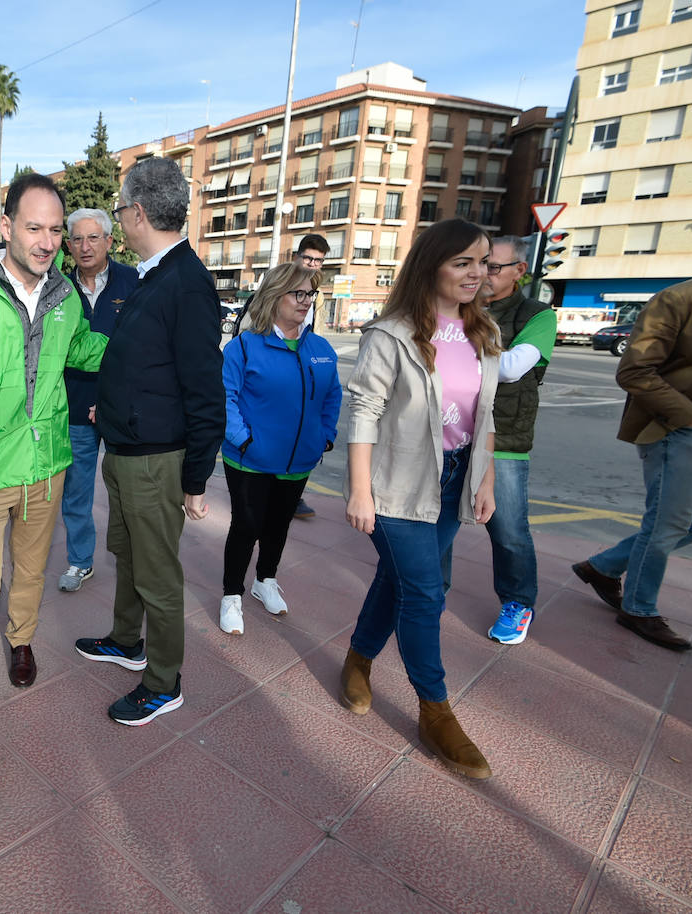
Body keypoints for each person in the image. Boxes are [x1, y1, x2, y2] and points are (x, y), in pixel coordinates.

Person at [0, 174, 107, 786]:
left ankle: (25, 638)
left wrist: (143, 340)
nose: (45, 241)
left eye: (54, 230)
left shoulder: (65, 300)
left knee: (31, 573)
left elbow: (85, 350)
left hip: (46, 466)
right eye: (33, 227)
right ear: (5, 226)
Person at [340, 218, 500, 780]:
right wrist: (361, 491)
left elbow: (486, 416)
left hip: (454, 480)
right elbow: (363, 411)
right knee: (427, 592)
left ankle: (358, 660)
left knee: (399, 581)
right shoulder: (392, 334)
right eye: (463, 262)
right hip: (396, 484)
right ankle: (435, 710)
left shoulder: (486, 334)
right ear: (431, 266)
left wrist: (485, 479)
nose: (476, 273)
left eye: (482, 262)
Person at [74, 156, 224, 726]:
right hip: (128, 448)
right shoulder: (154, 275)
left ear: (136, 212)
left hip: (156, 460)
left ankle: (163, 680)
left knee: (158, 574)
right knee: (130, 555)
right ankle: (125, 639)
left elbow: (204, 389)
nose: (118, 221)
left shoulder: (184, 282)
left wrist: (194, 480)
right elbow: (142, 367)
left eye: (118, 211)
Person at [571, 274, 692, 652]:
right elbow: (634, 371)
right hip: (676, 427)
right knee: (667, 523)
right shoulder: (678, 300)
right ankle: (638, 609)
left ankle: (603, 566)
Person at [219, 262, 341, 634]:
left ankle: (265, 581)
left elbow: (332, 395)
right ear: (275, 296)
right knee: (247, 525)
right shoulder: (244, 347)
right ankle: (231, 596)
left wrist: (325, 436)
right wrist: (245, 439)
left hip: (299, 460)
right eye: (298, 293)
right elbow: (225, 398)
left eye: (310, 294)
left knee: (278, 526)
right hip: (249, 460)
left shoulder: (320, 349)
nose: (306, 301)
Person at [446, 235, 554, 645]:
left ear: (519, 271)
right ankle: (430, 594)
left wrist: (453, 349)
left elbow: (510, 368)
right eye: (475, 264)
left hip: (504, 440)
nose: (481, 273)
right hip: (451, 433)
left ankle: (518, 602)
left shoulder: (537, 315)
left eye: (493, 266)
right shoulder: (457, 307)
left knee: (508, 531)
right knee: (437, 521)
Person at [57, 208, 138, 593]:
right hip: (75, 407)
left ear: (110, 240)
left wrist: (113, 398)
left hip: (122, 409)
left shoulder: (134, 282)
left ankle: (135, 562)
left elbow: (141, 351)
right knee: (76, 493)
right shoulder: (57, 287)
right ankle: (79, 562)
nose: (85, 246)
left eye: (93, 238)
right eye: (77, 239)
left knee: (129, 493)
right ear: (67, 244)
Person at [290, 233, 331, 521]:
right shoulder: (276, 287)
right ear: (297, 256)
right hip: (277, 373)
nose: (313, 264)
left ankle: (294, 495)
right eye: (308, 258)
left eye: (318, 260)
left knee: (303, 432)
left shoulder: (317, 295)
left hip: (304, 374)